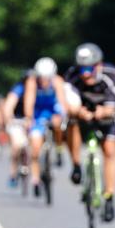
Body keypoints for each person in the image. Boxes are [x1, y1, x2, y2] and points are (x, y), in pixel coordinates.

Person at [63, 43, 115, 222]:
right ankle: (76, 165)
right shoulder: (72, 76)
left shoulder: (113, 76)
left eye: (89, 69)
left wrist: (100, 113)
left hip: (107, 111)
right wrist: (80, 112)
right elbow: (70, 103)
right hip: (83, 110)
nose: (85, 74)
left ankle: (109, 197)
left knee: (110, 150)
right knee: (71, 123)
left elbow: (111, 108)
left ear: (98, 65)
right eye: (82, 69)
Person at [22, 57, 76, 199]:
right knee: (35, 147)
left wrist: (62, 114)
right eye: (42, 78)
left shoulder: (57, 81)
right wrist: (29, 118)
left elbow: (62, 101)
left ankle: (58, 147)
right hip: (38, 113)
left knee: (58, 125)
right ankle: (35, 179)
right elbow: (29, 101)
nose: (44, 81)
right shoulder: (32, 82)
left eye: (47, 78)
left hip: (53, 110)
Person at [3, 70, 34, 188]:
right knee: (16, 147)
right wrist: (9, 117)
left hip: (32, 121)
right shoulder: (18, 89)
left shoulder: (39, 90)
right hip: (17, 120)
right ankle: (13, 174)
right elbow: (9, 105)